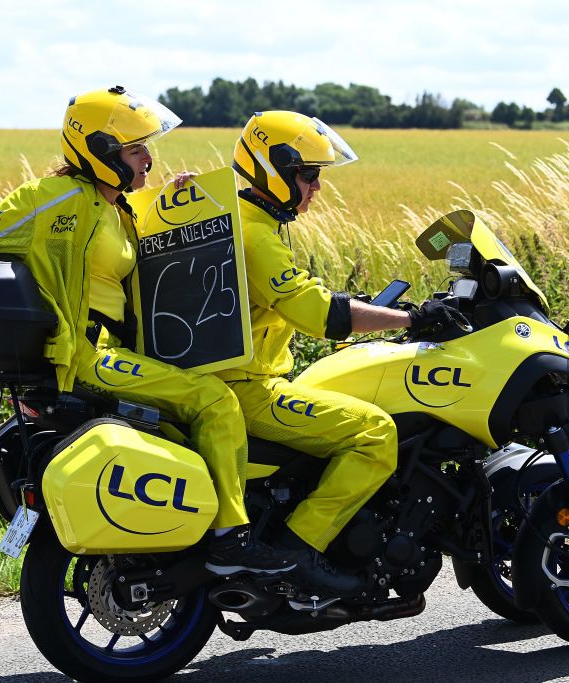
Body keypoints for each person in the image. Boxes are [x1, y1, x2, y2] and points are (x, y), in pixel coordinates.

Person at [0, 87, 294, 576]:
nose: (148, 159)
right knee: (215, 401)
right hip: (87, 356)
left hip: (116, 352)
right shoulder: (57, 199)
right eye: (136, 149)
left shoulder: (116, 209)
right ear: (100, 150)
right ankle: (232, 539)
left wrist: (185, 202)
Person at [218, 110, 451, 594]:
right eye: (309, 175)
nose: (317, 188)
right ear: (274, 170)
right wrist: (413, 319)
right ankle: (299, 549)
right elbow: (324, 317)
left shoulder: (231, 215)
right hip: (246, 389)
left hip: (225, 380)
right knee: (375, 434)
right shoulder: (256, 236)